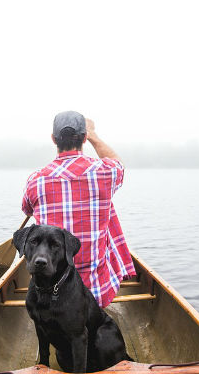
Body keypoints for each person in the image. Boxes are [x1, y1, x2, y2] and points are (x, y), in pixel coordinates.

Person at [21, 111, 135, 307]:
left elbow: (27, 210)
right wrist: (93, 134)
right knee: (108, 216)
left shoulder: (35, 180)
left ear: (53, 139)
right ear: (84, 138)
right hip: (95, 294)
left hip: (50, 294)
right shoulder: (105, 172)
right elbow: (119, 164)